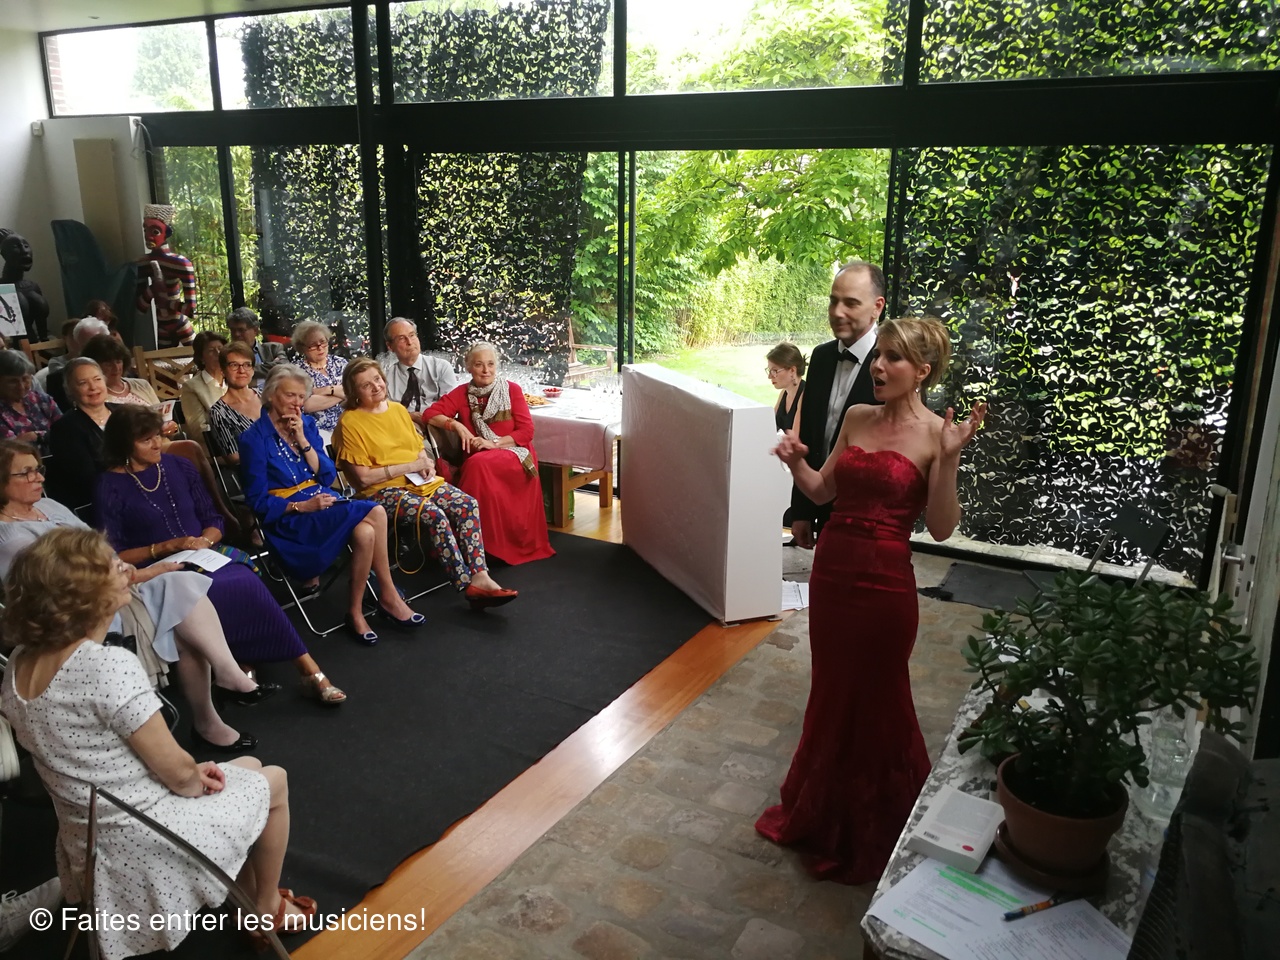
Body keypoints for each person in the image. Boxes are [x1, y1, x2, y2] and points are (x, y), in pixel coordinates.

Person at [1, 528, 316, 958]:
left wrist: (194, 773)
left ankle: (248, 900)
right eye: (114, 565)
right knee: (272, 779)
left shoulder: (19, 663)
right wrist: (194, 775)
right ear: (85, 596)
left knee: (248, 771)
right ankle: (264, 909)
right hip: (145, 835)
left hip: (88, 836)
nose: (125, 569)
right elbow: (180, 778)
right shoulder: (106, 665)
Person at [755, 316, 987, 884]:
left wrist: (951, 458)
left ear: (923, 371)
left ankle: (877, 820)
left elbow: (941, 529)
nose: (878, 366)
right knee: (832, 693)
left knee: (880, 699)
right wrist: (794, 460)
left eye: (893, 358)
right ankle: (821, 810)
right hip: (832, 573)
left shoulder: (937, 434)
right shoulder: (858, 417)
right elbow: (822, 489)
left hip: (885, 587)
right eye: (878, 355)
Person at [0, 440, 275, 752]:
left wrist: (129, 570)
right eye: (26, 473)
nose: (39, 477)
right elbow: (65, 589)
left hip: (116, 584)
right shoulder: (9, 539)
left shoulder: (49, 507)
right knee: (183, 620)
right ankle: (205, 722)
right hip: (84, 615)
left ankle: (227, 676)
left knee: (183, 586)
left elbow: (102, 549)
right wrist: (144, 572)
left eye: (38, 469)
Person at [96, 406, 347, 705]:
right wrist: (166, 547)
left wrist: (205, 541)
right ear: (124, 445)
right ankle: (252, 663)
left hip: (203, 552)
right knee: (218, 588)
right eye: (145, 440)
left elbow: (213, 518)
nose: (156, 444)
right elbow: (114, 554)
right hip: (158, 567)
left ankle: (303, 667)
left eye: (157, 436)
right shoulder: (109, 486)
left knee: (245, 580)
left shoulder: (179, 466)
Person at [239, 364, 423, 643]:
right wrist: (302, 507)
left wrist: (302, 439)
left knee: (366, 532)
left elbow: (326, 476)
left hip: (324, 502)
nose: (297, 403)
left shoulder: (307, 425)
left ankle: (355, 611)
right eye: (290, 395)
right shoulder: (253, 439)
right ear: (271, 395)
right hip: (290, 518)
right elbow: (257, 501)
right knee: (375, 511)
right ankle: (388, 595)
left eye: (302, 396)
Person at [334, 358, 518, 609]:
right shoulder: (350, 422)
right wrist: (411, 466)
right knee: (434, 514)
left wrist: (426, 463)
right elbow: (363, 478)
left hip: (418, 482)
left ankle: (481, 576)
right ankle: (467, 584)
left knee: (466, 504)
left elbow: (417, 448)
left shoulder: (398, 410)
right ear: (354, 392)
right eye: (366, 385)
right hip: (381, 492)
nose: (376, 386)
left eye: (377, 379)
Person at [423, 341, 555, 565]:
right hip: (480, 455)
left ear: (497, 366)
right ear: (468, 367)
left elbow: (526, 432)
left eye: (491, 364)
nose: (486, 370)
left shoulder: (511, 389)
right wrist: (457, 425)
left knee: (477, 465)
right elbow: (430, 414)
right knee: (477, 463)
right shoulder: (462, 393)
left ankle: (466, 542)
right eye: (479, 364)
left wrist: (494, 443)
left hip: (514, 453)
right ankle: (476, 545)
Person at [789, 261, 886, 549]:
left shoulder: (893, 366)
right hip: (821, 511)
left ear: (877, 307)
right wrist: (801, 510)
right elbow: (809, 438)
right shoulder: (820, 357)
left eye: (851, 303)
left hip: (870, 524)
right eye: (833, 301)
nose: (837, 312)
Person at [44, 357, 114, 512]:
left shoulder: (126, 412)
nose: (93, 387)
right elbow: (87, 480)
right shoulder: (65, 429)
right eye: (83, 383)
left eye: (97, 379)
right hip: (101, 502)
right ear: (70, 390)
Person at [136, 203, 197, 348]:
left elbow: (191, 309)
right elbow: (140, 307)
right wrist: (153, 289)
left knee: (199, 356)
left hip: (179, 323)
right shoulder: (143, 263)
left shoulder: (181, 263)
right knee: (164, 361)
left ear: (167, 233)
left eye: (155, 231)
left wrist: (167, 302)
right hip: (162, 325)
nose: (148, 236)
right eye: (145, 230)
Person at [377, 317, 459, 417]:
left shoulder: (441, 368)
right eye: (401, 338)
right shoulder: (385, 377)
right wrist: (411, 417)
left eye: (412, 335)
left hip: (436, 423)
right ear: (390, 346)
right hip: (399, 424)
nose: (409, 342)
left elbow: (449, 408)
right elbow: (384, 412)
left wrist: (426, 418)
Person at [80, 333, 170, 412]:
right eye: (108, 364)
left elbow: (162, 415)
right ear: (94, 366)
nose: (116, 368)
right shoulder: (95, 395)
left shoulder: (142, 385)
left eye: (118, 361)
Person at [289, 320, 346, 437]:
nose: (320, 348)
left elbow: (356, 393)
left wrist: (327, 390)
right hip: (316, 432)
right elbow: (306, 405)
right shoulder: (296, 371)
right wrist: (342, 393)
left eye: (323, 342)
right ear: (302, 347)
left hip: (348, 425)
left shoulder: (341, 363)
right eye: (313, 345)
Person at [208, 341, 262, 464]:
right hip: (257, 469)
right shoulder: (219, 412)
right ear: (223, 371)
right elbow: (233, 458)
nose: (241, 370)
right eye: (234, 365)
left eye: (247, 365)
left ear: (253, 370)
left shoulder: (266, 396)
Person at [0, 349, 60, 453]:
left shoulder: (42, 400)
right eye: (12, 381)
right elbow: (9, 449)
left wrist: (34, 436)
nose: (21, 387)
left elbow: (66, 431)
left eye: (25, 379)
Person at [179, 329, 228, 452]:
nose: (218, 353)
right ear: (201, 358)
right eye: (211, 351)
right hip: (216, 451)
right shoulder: (191, 387)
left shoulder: (235, 379)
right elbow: (198, 431)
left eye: (220, 349)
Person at [227, 306, 287, 384]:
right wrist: (270, 366)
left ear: (255, 330)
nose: (236, 334)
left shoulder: (273, 349)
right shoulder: (227, 355)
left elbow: (284, 368)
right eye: (233, 330)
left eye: (241, 330)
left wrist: (245, 370)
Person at [768, 342, 806, 433]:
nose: (769, 376)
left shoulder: (805, 395)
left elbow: (794, 438)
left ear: (792, 370)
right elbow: (770, 425)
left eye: (774, 371)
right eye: (769, 371)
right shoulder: (784, 393)